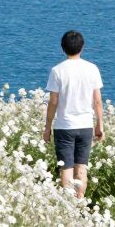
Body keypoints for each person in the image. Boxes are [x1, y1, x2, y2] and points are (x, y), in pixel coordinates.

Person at [43, 29, 104, 198]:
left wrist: (47, 127)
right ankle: (79, 202)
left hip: (64, 126)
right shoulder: (92, 69)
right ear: (82, 47)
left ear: (63, 47)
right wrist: (100, 125)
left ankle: (69, 207)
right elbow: (97, 101)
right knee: (81, 168)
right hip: (85, 126)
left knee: (66, 168)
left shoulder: (57, 70)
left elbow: (53, 101)